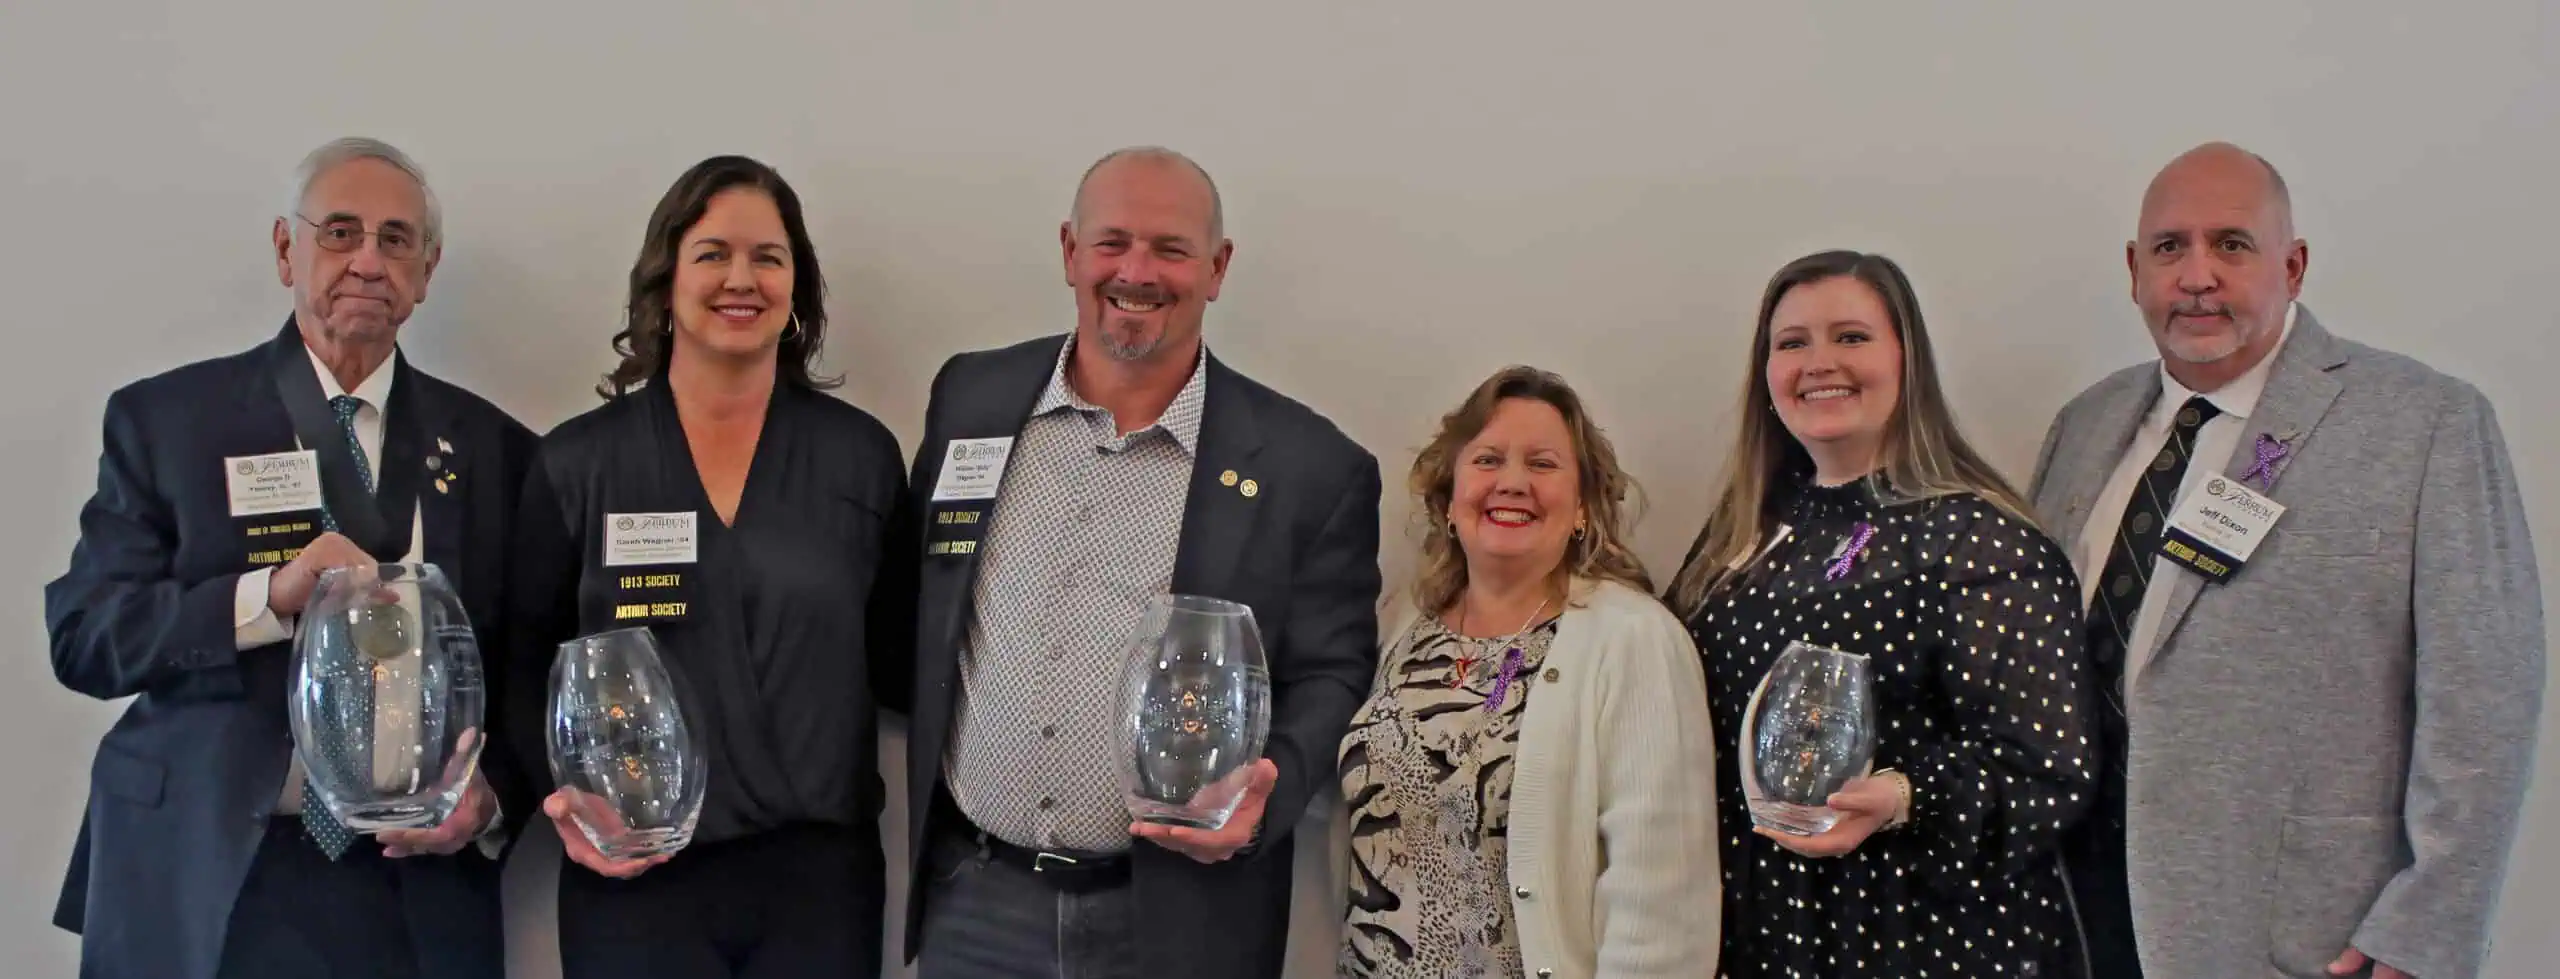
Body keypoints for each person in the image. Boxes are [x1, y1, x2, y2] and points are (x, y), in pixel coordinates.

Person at [2029, 142, 2545, 979]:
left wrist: (2430, 924)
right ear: (2134, 271)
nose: (2197, 275)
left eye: (2231, 244)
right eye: (2169, 248)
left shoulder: (2427, 426)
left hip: (2301, 935)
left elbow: (2487, 696)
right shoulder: (2083, 427)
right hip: (2080, 915)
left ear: (2294, 265)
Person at [43, 137, 533, 979]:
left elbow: (531, 665)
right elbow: (86, 635)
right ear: (285, 250)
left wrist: (491, 796)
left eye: (396, 239)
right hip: (203, 869)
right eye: (340, 232)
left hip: (410, 886)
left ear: (427, 269)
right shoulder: (167, 423)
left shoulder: (499, 450)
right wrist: (265, 598)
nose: (369, 261)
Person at [892, 145, 1382, 979]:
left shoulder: (1311, 469)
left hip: (1176, 923)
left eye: (1171, 248)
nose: (1137, 271)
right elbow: (919, 601)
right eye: (1112, 242)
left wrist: (1272, 788)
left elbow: (1335, 668)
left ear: (1218, 268)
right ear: (1069, 252)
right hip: (975, 902)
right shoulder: (970, 400)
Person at [503, 154, 913, 978]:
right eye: (713, 253)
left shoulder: (860, 457)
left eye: (769, 256)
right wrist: (563, 804)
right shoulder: (578, 464)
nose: (742, 278)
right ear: (665, 278)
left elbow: (901, 658)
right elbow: (522, 663)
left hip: (818, 886)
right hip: (635, 879)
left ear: (797, 287)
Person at [1665, 250, 2098, 978]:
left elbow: (2048, 764)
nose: (1819, 362)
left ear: (1908, 360)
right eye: (1792, 342)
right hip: (1761, 925)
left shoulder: (1978, 540)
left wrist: (1902, 796)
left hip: (1918, 933)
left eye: (1852, 337)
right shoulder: (1740, 532)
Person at [1335, 366, 1721, 979]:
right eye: (1488, 459)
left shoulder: (1634, 639)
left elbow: (1662, 901)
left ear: (1583, 508)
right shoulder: (1401, 625)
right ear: (1449, 498)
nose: (1511, 482)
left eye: (1542, 464)